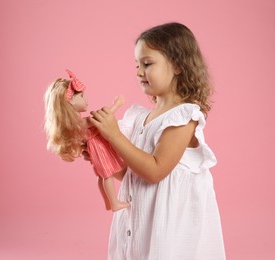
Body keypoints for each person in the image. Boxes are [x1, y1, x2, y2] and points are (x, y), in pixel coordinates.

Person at [89, 22, 226, 259]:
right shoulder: (142, 117)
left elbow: (155, 170)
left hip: (169, 224)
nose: (139, 72)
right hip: (143, 218)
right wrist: (100, 151)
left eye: (147, 64)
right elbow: (133, 171)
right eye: (137, 65)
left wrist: (114, 135)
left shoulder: (183, 116)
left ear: (177, 65)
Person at [44, 69, 129, 212]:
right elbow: (103, 116)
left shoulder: (73, 123)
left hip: (94, 149)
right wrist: (117, 104)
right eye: (82, 96)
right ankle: (114, 203)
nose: (86, 100)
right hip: (98, 149)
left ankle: (108, 202)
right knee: (107, 175)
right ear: (70, 101)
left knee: (102, 176)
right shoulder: (81, 122)